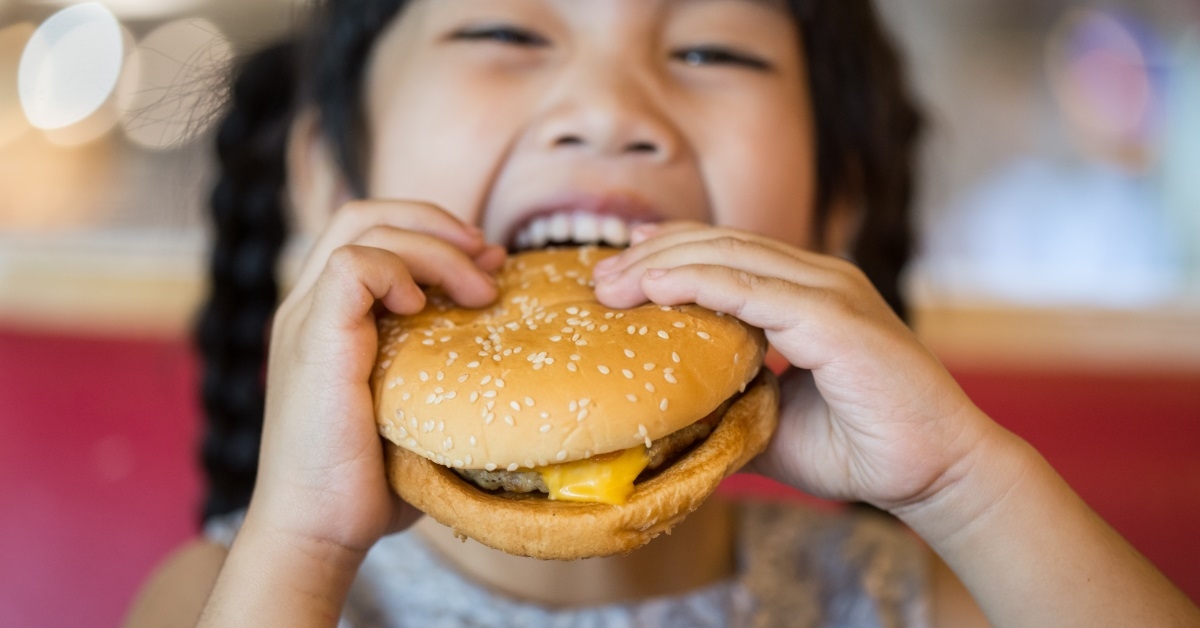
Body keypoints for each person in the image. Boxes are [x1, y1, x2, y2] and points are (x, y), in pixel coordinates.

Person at [125, 1, 1200, 626]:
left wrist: (962, 485)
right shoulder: (250, 584)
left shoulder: (900, 593)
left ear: (836, 210)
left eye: (711, 51)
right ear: (321, 174)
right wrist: (303, 536)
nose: (611, 112)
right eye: (507, 28)